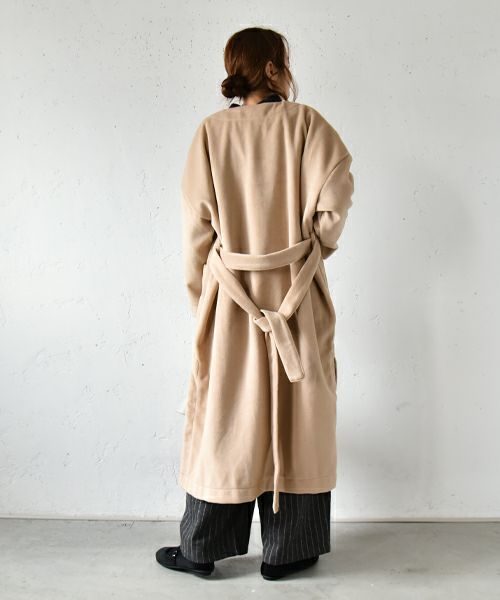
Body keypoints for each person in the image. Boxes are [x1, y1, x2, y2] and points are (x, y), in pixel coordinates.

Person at [156, 26, 355, 580]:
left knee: (225, 418)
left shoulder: (210, 133)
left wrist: (204, 303)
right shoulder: (308, 124)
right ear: (273, 68)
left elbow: (196, 234)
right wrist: (311, 250)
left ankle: (201, 548)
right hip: (296, 294)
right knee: (300, 417)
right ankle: (290, 551)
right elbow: (334, 206)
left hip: (232, 300)